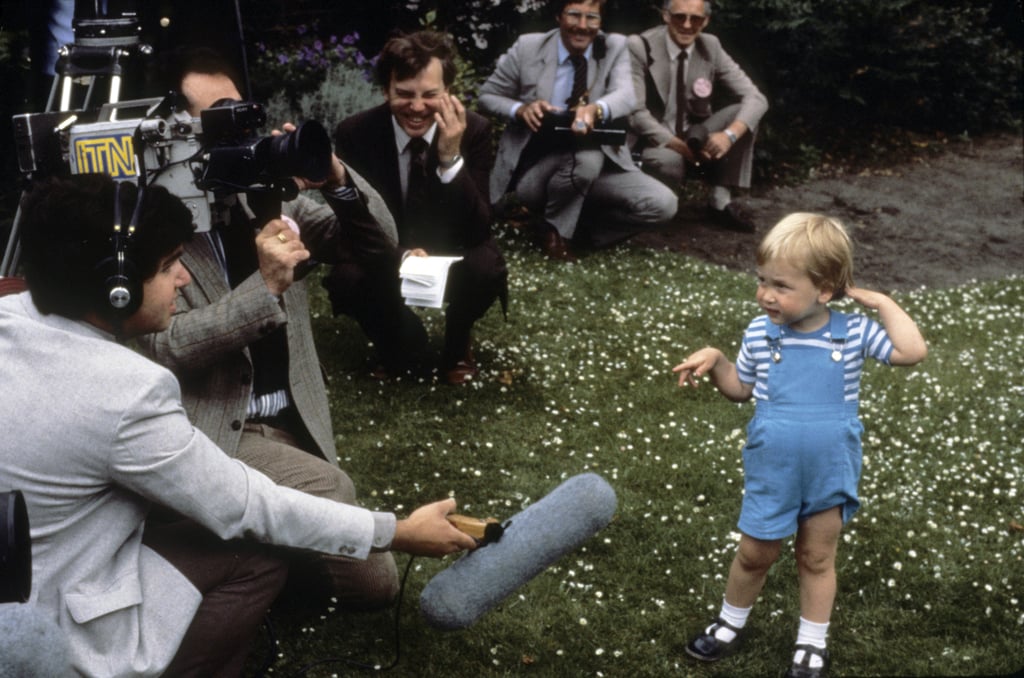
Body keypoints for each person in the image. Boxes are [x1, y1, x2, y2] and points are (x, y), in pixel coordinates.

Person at [0, 173, 476, 676]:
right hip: (56, 628)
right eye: (167, 266)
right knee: (254, 555)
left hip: (23, 580)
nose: (182, 279)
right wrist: (398, 532)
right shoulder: (129, 389)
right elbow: (246, 506)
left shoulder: (8, 316)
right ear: (115, 289)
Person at [137, 47, 403, 608]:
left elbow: (376, 243)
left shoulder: (265, 202)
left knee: (375, 584)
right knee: (360, 557)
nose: (236, 136)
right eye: (219, 122)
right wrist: (266, 288)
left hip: (291, 421)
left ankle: (240, 546)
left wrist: (331, 174)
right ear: (171, 134)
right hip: (213, 432)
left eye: (242, 115)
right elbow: (162, 345)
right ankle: (215, 539)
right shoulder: (147, 229)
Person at [671, 213, 927, 677]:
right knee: (755, 553)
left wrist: (883, 303)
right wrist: (718, 360)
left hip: (830, 467)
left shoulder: (852, 334)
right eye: (762, 280)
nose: (765, 294)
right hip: (773, 465)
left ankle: (811, 641)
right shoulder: (759, 332)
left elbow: (911, 352)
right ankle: (730, 622)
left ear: (824, 290)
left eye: (781, 286)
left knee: (816, 556)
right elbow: (741, 389)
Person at [325, 30, 508, 385]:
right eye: (404, 94)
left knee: (487, 268)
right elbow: (354, 222)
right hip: (387, 248)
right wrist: (400, 255)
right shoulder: (356, 133)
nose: (418, 107)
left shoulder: (475, 130)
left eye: (430, 95)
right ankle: (399, 339)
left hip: (454, 246)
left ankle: (457, 345)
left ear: (448, 91)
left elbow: (480, 226)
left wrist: (450, 159)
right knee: (346, 278)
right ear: (385, 90)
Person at [478, 0, 678, 262]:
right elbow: (487, 96)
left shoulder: (614, 46)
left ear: (601, 21)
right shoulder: (529, 48)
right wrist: (520, 109)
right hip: (536, 173)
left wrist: (597, 109)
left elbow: (627, 95)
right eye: (574, 15)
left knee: (663, 204)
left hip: (600, 168)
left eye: (592, 18)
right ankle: (557, 233)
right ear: (558, 16)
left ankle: (573, 232)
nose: (582, 26)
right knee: (587, 160)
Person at [628, 0, 768, 232]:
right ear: (665, 16)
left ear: (706, 21)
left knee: (741, 115)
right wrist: (678, 146)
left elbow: (757, 98)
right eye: (679, 17)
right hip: (655, 140)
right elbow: (636, 114)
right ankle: (656, 204)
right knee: (669, 161)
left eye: (696, 19)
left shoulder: (710, 45)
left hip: (694, 134)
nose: (687, 25)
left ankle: (719, 202)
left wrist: (728, 136)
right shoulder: (640, 46)